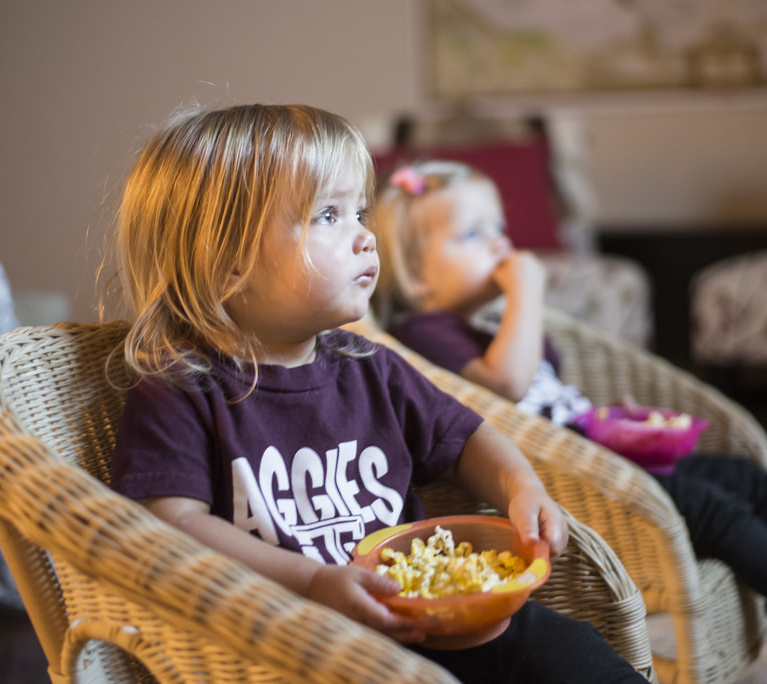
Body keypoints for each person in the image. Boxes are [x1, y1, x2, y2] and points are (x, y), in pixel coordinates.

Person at [107, 103, 643, 684]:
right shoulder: (180, 389)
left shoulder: (370, 367)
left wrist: (522, 488)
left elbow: (467, 438)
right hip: (293, 650)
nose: (366, 237)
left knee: (568, 653)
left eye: (359, 211)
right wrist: (312, 582)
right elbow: (170, 526)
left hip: (430, 619)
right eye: (329, 216)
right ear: (227, 261)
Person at [373, 159, 767, 684]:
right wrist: (525, 295)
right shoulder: (425, 333)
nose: (501, 248)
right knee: (711, 508)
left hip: (605, 453)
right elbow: (508, 384)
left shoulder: (481, 320)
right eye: (473, 235)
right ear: (419, 278)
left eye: (499, 227)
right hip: (581, 487)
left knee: (737, 476)